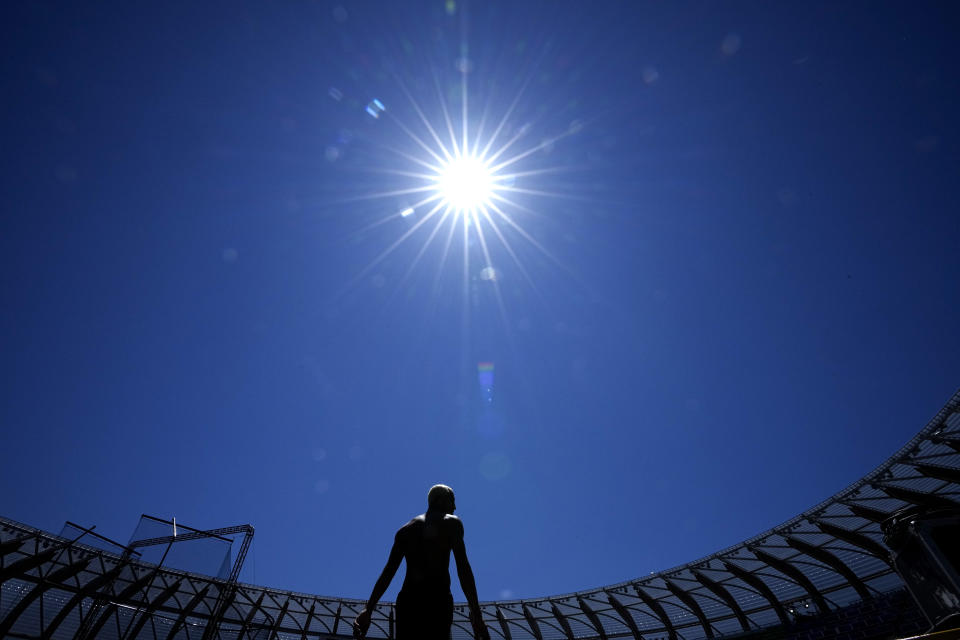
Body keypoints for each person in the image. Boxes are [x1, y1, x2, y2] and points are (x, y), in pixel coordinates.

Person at [353, 484, 490, 640]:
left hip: (408, 604)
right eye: (452, 501)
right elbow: (463, 569)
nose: (455, 507)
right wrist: (477, 614)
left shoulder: (405, 530)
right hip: (438, 602)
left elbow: (388, 572)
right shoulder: (452, 523)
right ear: (441, 500)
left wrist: (368, 610)